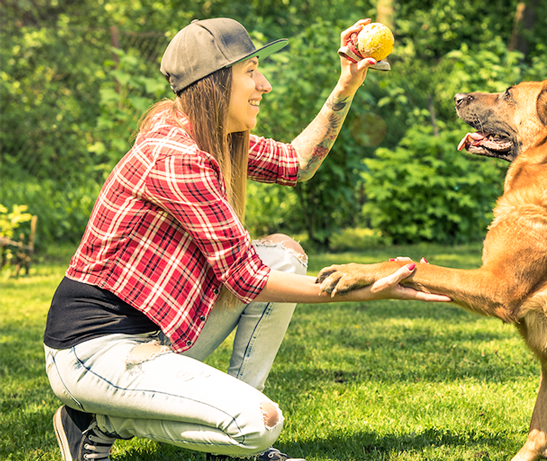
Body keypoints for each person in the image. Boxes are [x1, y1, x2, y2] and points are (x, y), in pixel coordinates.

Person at [43, 18, 449, 461]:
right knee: (259, 424)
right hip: (95, 350)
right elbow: (246, 280)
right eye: (251, 70)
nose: (265, 84)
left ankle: (231, 447)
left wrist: (347, 83)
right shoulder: (176, 157)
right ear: (214, 83)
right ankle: (92, 422)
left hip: (156, 332)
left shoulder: (211, 135)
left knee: (284, 254)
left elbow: (297, 162)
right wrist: (367, 287)